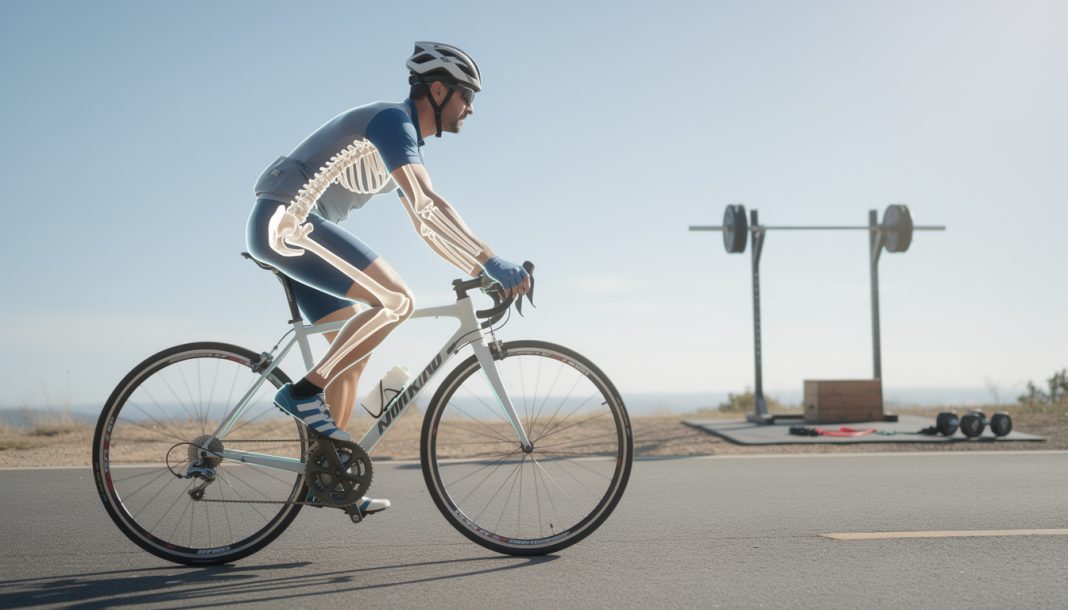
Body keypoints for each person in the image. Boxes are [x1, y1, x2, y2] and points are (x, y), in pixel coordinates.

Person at [246, 42, 531, 514]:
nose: (471, 109)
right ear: (438, 90)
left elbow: (424, 225)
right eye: (467, 96)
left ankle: (329, 476)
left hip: (295, 228)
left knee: (352, 349)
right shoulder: (392, 122)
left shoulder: (401, 142)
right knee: (396, 300)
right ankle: (300, 394)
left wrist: (478, 270)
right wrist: (491, 260)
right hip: (286, 223)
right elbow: (428, 203)